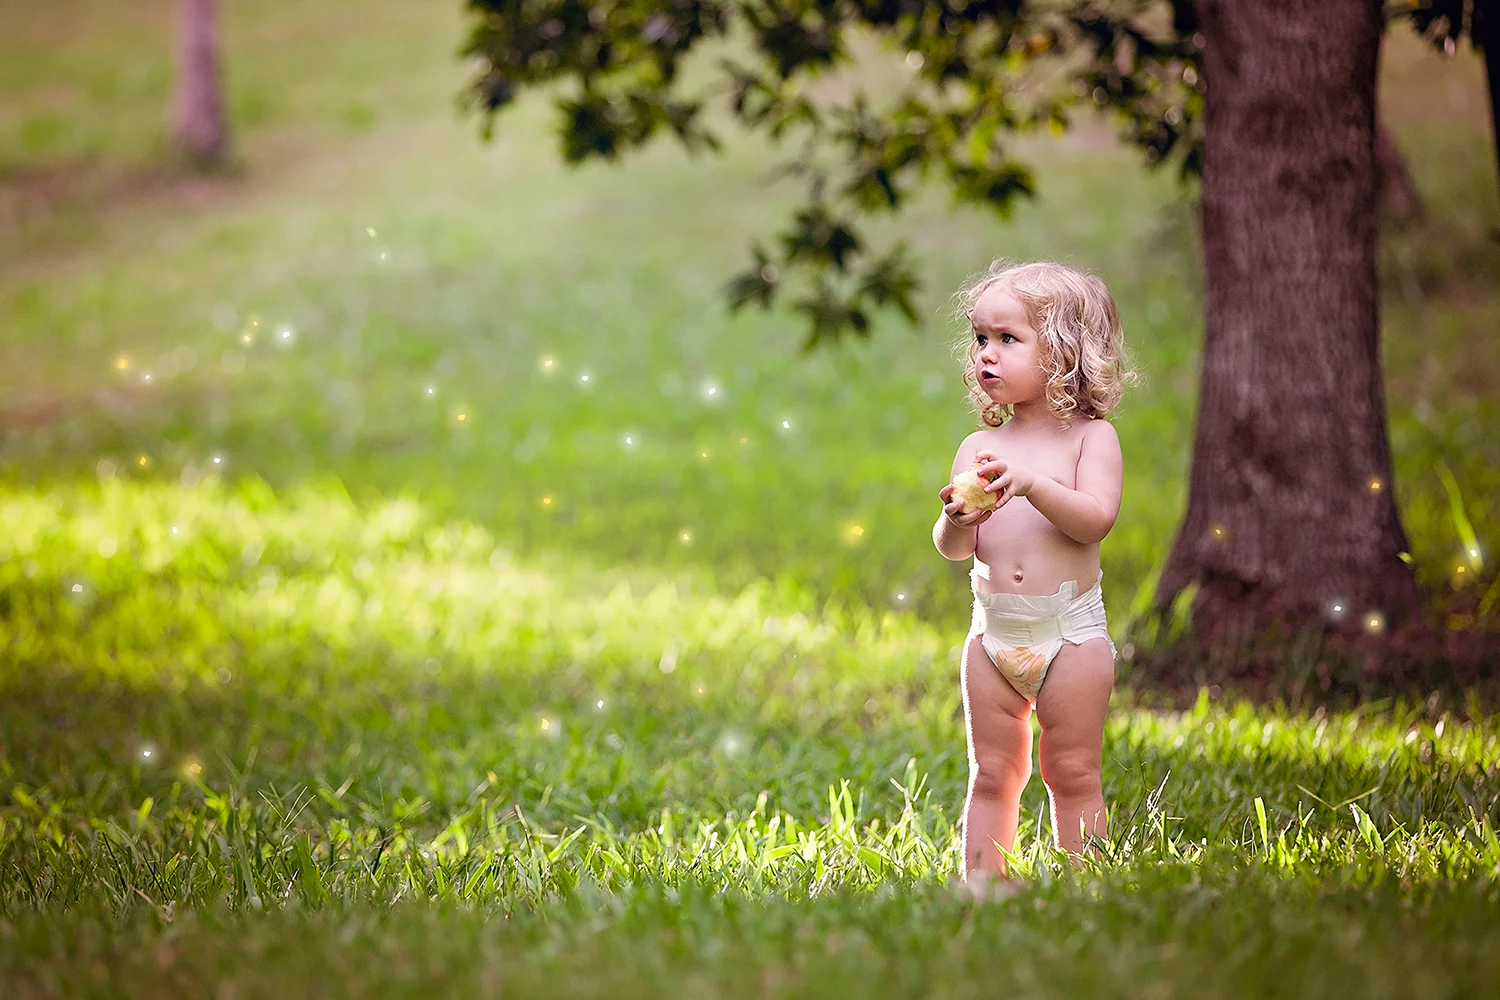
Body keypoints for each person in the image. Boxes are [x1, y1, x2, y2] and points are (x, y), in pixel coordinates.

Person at [932, 260, 1137, 890]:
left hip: (1069, 634)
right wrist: (958, 518)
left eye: (1008, 339)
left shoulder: (1091, 440)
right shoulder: (978, 447)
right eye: (980, 338)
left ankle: (1087, 884)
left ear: (1066, 354)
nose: (986, 355)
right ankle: (983, 882)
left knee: (1071, 768)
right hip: (992, 636)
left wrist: (1032, 487)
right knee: (992, 771)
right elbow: (952, 549)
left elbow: (1094, 520)